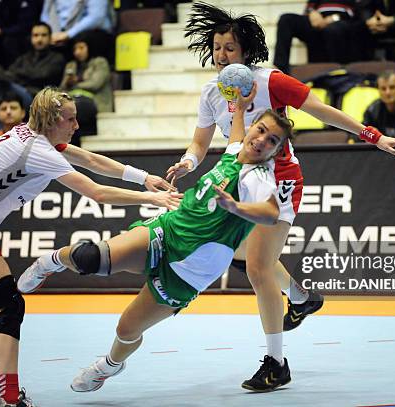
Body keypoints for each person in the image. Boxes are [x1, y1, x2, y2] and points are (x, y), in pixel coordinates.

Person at [167, 2, 395, 391]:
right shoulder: (212, 92)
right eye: (217, 47)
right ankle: (301, 297)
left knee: (259, 268)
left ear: (246, 51)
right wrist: (186, 163)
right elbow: (199, 142)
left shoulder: (269, 80)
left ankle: (276, 364)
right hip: (238, 182)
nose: (222, 55)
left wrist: (374, 137)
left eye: (230, 48)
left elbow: (320, 109)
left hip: (279, 180)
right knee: (244, 257)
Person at [17, 85, 295, 392]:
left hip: (191, 271)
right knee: (90, 258)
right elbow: (237, 133)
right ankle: (50, 262)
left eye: (272, 140)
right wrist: (239, 108)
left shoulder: (258, 177)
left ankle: (108, 366)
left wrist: (235, 206)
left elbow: (270, 213)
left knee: (126, 328)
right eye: (260, 131)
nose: (260, 141)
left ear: (277, 150)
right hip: (168, 230)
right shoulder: (235, 149)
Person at [0, 87, 180, 407]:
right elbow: (96, 193)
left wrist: (143, 177)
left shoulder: (29, 134)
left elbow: (89, 159)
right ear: (50, 120)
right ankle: (9, 399)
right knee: (8, 305)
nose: (77, 125)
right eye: (70, 119)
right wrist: (153, 198)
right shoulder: (39, 151)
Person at [0, 22, 65, 132]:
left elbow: (41, 75)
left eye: (43, 35)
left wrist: (15, 76)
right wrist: (12, 76)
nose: (39, 39)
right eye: (36, 35)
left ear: (50, 38)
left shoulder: (57, 58)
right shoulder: (25, 57)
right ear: (31, 38)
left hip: (35, 97)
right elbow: (11, 71)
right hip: (16, 90)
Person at [273, 0, 364, 74]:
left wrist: (334, 18)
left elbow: (356, 11)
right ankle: (280, 69)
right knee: (286, 19)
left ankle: (336, 72)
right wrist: (312, 13)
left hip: (341, 21)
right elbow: (309, 7)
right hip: (317, 20)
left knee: (333, 29)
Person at [59, 33, 113, 146]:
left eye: (81, 48)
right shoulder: (71, 65)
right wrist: (67, 82)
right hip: (72, 99)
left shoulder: (100, 62)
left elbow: (95, 84)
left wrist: (76, 81)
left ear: (90, 47)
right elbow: (62, 89)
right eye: (75, 49)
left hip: (93, 101)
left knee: (74, 108)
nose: (77, 52)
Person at [40, 0, 114, 47]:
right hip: (58, 33)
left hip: (90, 33)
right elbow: (45, 14)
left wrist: (68, 34)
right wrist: (50, 34)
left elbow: (96, 17)